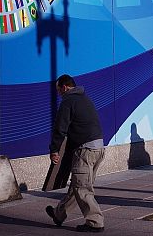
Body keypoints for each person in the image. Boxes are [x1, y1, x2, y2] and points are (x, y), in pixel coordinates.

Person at [45, 74, 106, 233]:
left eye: (59, 90)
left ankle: (95, 222)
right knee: (76, 186)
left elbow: (60, 128)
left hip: (85, 150)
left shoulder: (68, 101)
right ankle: (59, 215)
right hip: (98, 148)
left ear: (64, 88)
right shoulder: (84, 99)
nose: (59, 94)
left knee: (82, 188)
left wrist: (54, 150)